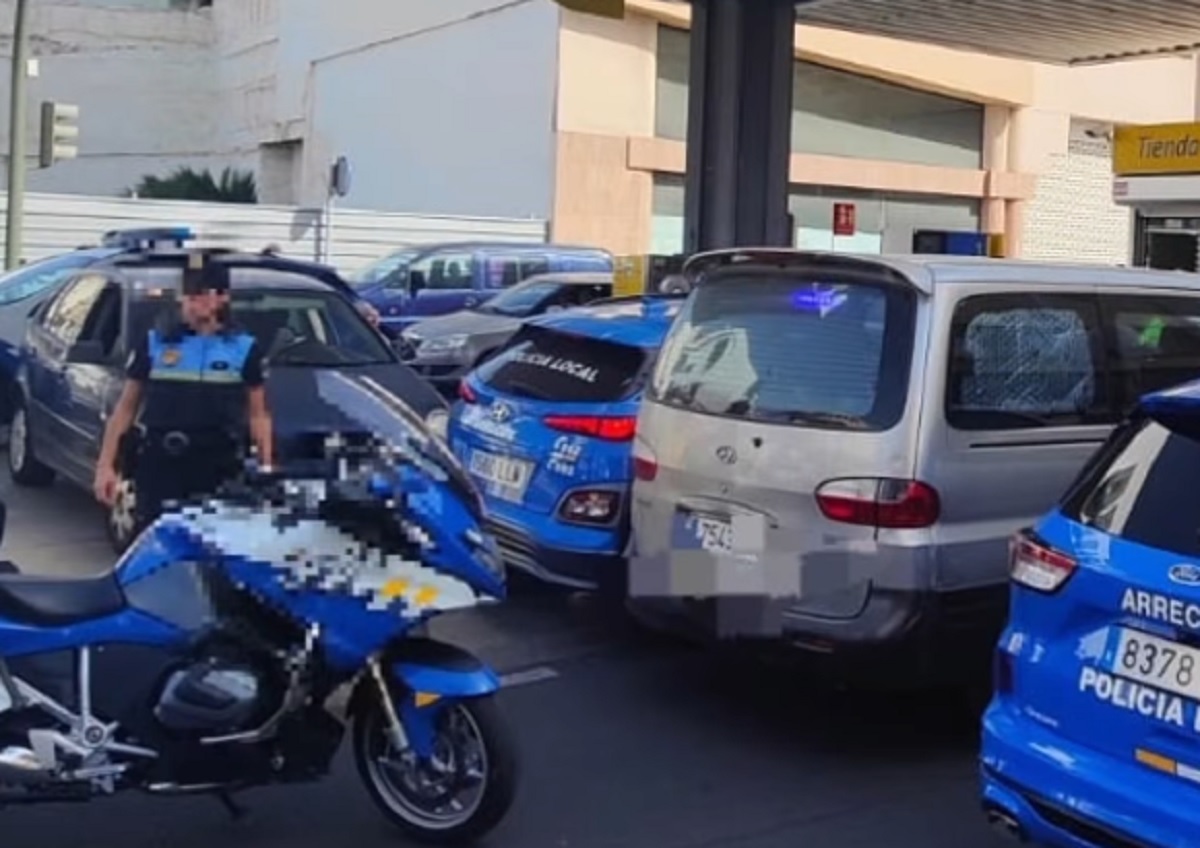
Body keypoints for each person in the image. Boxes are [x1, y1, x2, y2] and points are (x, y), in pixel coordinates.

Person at [93, 253, 273, 527]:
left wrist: (265, 465)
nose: (191, 301)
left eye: (201, 293)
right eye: (188, 292)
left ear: (222, 297)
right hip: (162, 463)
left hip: (218, 465)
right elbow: (125, 408)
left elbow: (258, 414)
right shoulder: (156, 342)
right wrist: (106, 466)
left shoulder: (244, 347)